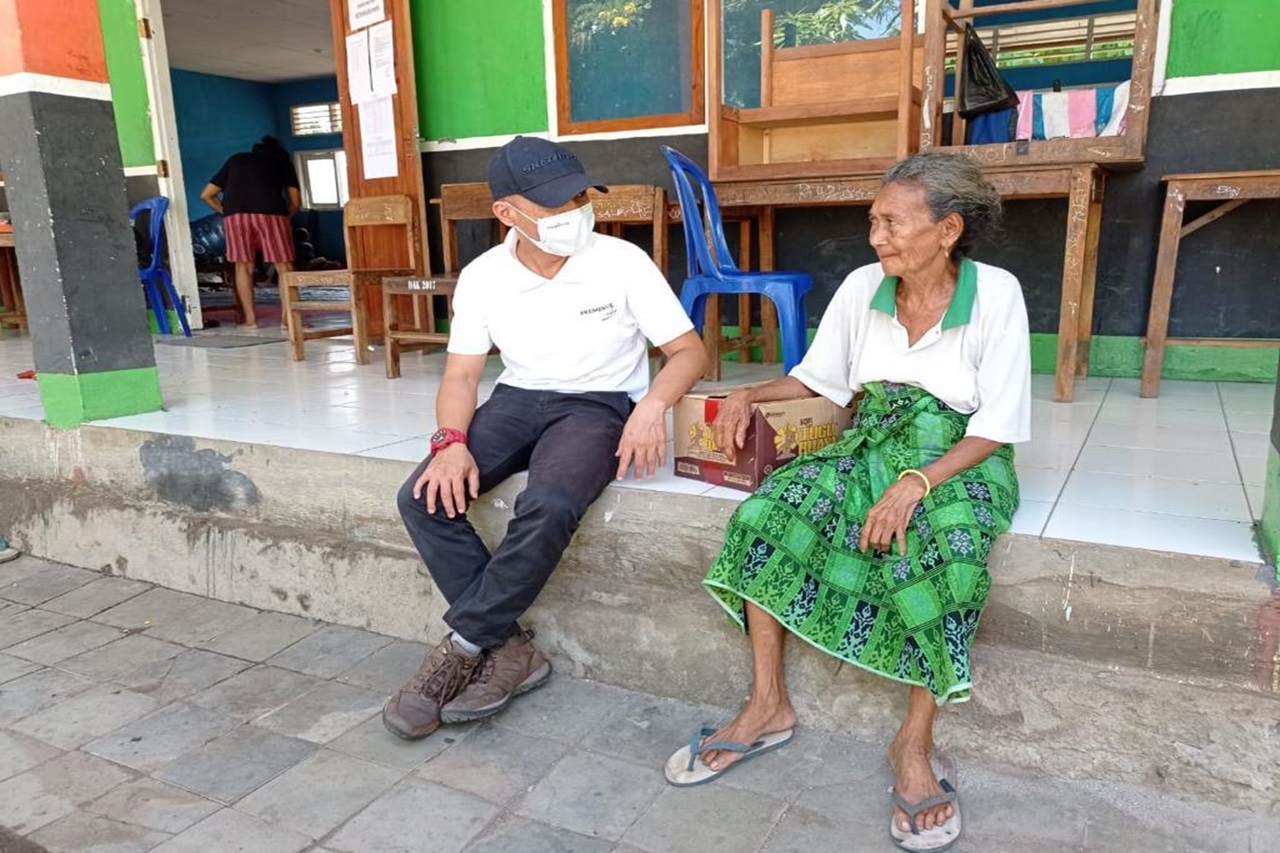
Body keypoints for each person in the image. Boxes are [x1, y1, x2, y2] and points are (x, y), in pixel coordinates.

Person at [663, 151, 1030, 853]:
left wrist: (918, 482)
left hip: (958, 456)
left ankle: (914, 743)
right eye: (874, 221)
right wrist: (746, 392)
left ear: (948, 229)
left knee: (948, 553)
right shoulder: (866, 286)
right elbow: (824, 383)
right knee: (767, 513)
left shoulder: (996, 294)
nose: (877, 236)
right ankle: (767, 703)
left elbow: (996, 425)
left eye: (893, 222)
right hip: (870, 439)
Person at [384, 136, 707, 741]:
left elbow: (688, 351)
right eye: (557, 204)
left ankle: (462, 645)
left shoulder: (621, 262)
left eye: (581, 196)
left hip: (598, 405)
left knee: (552, 502)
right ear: (508, 213)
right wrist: (450, 440)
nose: (577, 211)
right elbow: (461, 374)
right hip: (517, 399)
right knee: (422, 496)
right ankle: (509, 647)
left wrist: (652, 407)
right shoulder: (483, 277)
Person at [200, 136, 301, 328]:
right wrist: (284, 219)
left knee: (243, 267)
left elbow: (206, 195)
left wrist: (228, 212)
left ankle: (250, 320)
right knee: (284, 267)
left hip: (236, 218)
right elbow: (295, 202)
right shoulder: (281, 162)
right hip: (272, 215)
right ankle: (288, 319)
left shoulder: (236, 159)